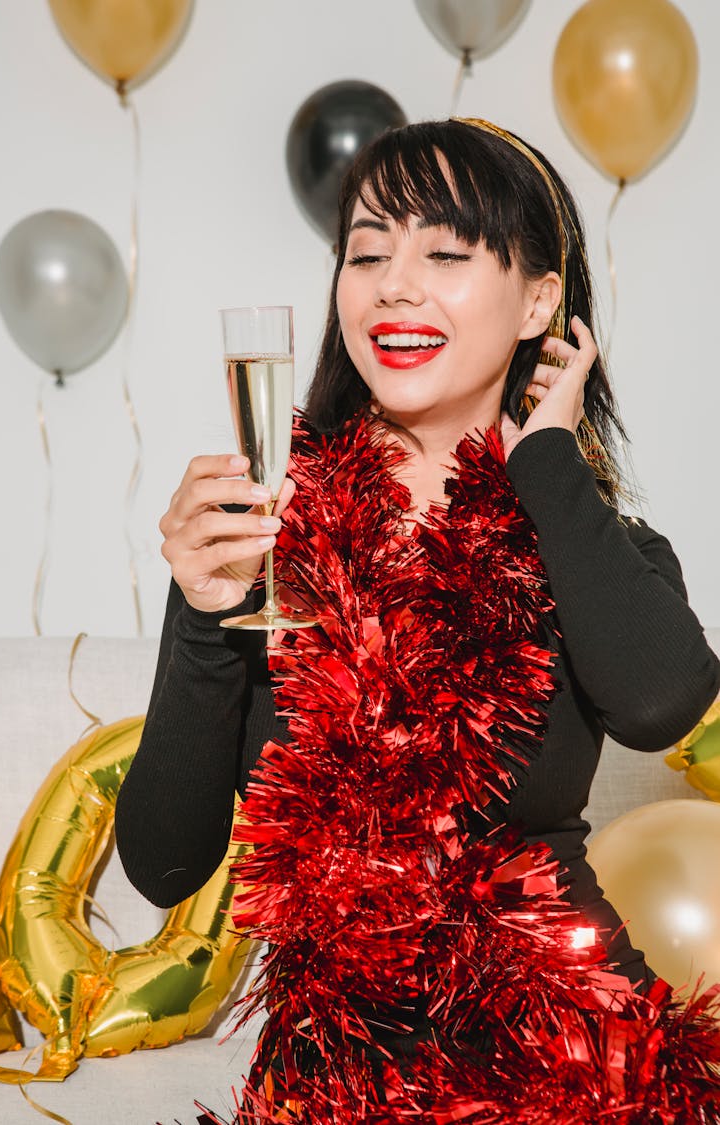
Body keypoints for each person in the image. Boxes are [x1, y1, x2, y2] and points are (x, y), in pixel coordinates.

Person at [115, 119, 720, 1122]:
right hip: (334, 1080)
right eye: (366, 251)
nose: (394, 283)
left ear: (539, 301)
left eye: (444, 250)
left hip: (574, 1064)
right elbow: (164, 862)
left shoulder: (590, 545)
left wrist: (548, 461)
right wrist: (201, 612)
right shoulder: (269, 542)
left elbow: (662, 703)